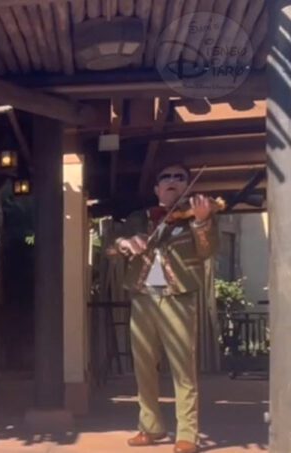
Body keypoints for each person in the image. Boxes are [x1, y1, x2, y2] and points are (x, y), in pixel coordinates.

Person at [110, 163, 218, 453]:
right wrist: (125, 243)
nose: (172, 181)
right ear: (157, 187)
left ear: (187, 187)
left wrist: (201, 221)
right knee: (143, 366)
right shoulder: (138, 218)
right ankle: (151, 427)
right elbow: (111, 246)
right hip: (143, 296)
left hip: (178, 296)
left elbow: (207, 251)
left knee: (183, 368)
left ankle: (187, 434)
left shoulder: (196, 217)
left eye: (179, 178)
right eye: (165, 177)